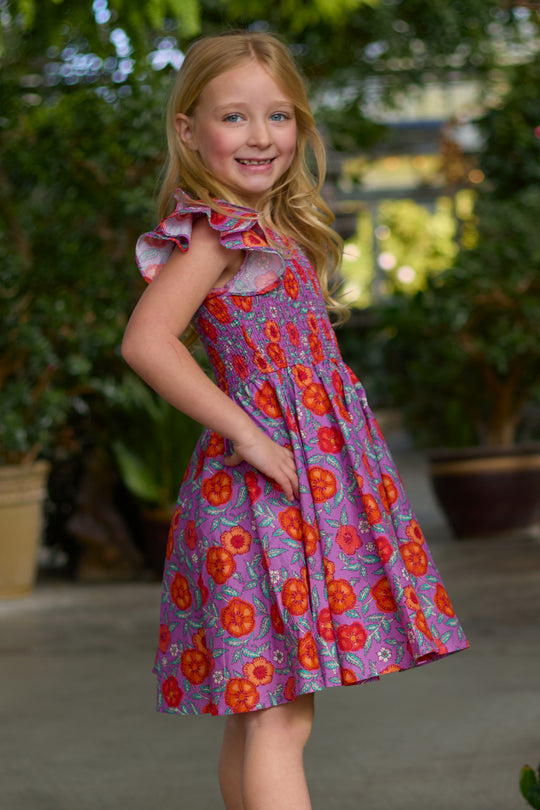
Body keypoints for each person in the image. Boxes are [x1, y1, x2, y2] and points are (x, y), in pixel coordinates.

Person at [122, 30, 469, 810]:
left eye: (277, 116)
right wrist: (246, 432)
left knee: (260, 717)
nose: (260, 137)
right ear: (188, 129)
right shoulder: (217, 232)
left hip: (283, 495)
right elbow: (146, 341)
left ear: (300, 127)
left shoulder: (273, 231)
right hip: (259, 496)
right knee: (279, 719)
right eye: (234, 117)